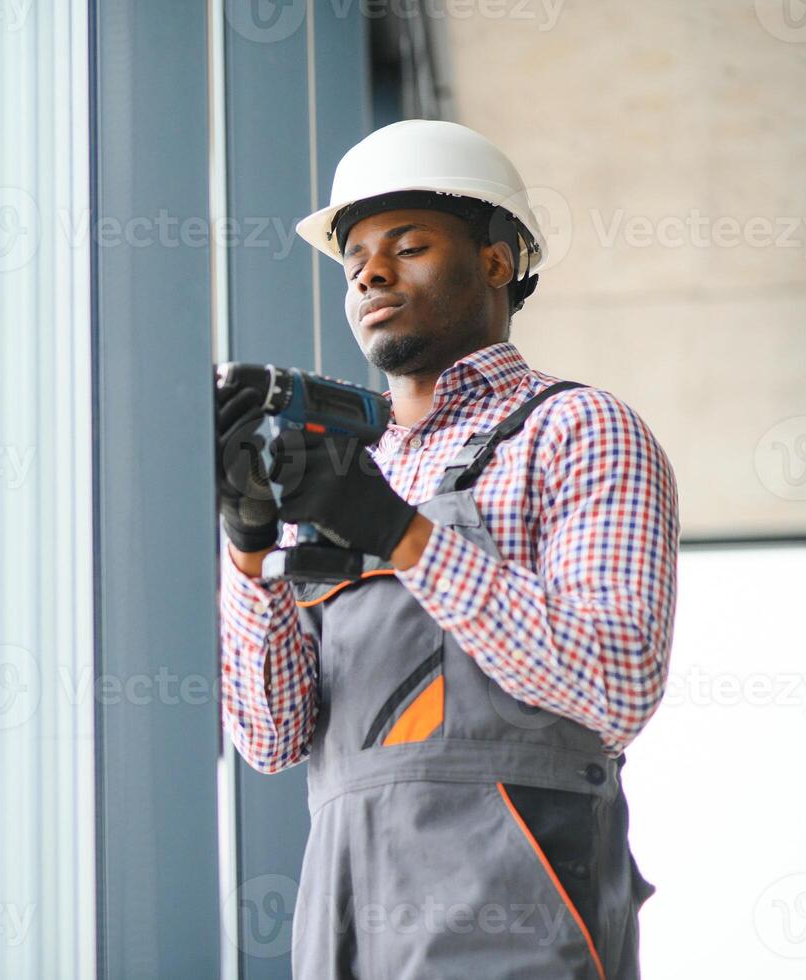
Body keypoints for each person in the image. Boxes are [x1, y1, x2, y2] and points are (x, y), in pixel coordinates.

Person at [216, 120, 679, 978]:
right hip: (344, 905)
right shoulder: (340, 467)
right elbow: (271, 738)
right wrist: (248, 555)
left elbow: (615, 683)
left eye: (409, 245)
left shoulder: (577, 429)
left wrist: (398, 533)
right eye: (354, 258)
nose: (370, 273)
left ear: (497, 259)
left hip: (516, 893)